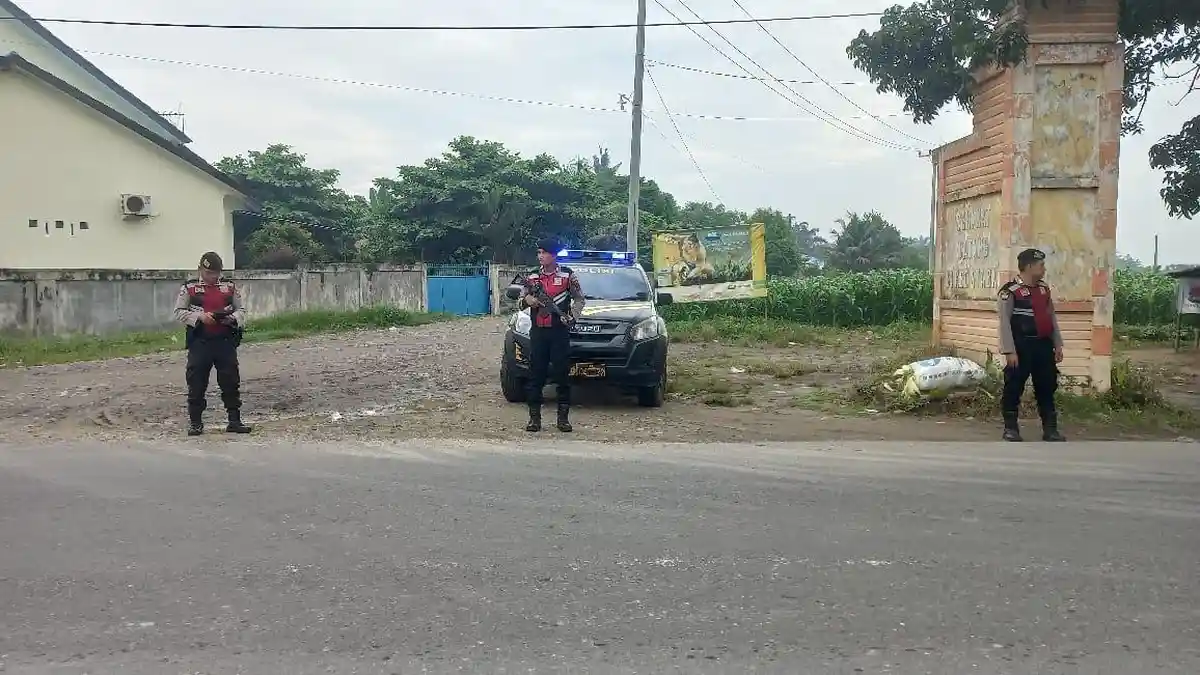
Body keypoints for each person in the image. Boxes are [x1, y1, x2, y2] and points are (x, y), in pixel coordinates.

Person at [173, 252, 252, 436]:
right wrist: (200, 317)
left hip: (225, 340)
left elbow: (242, 309)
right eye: (209, 273)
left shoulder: (229, 286)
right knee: (196, 382)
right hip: (200, 341)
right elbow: (179, 312)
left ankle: (234, 421)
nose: (213, 277)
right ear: (200, 269)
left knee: (230, 381)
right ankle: (196, 423)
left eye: (216, 273)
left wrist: (232, 318)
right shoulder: (190, 287)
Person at [997, 248, 1065, 442]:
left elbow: (1051, 318)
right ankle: (1011, 429)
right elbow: (1004, 323)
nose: (1044, 269)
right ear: (1028, 267)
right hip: (1021, 346)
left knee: (1047, 386)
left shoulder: (1043, 289)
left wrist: (1057, 344)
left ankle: (1050, 430)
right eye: (1040, 265)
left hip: (1043, 346)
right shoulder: (1010, 291)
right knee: (1014, 387)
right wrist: (1009, 351)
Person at [519, 239, 585, 432]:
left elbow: (579, 299)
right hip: (538, 332)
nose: (540, 256)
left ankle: (563, 419)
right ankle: (534, 419)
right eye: (539, 252)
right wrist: (528, 300)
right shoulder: (532, 276)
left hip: (559, 332)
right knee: (535, 376)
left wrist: (572, 316)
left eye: (544, 253)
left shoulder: (567, 275)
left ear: (554, 255)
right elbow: (520, 301)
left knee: (562, 376)